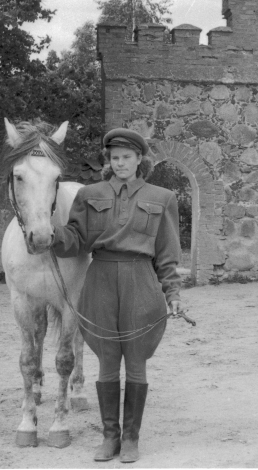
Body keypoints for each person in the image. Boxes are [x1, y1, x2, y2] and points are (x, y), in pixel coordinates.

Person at [52, 128, 182, 463]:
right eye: (114, 158)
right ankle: (109, 437)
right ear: (108, 161)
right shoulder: (89, 195)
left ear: (140, 159)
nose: (120, 163)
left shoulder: (163, 197)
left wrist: (173, 293)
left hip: (141, 282)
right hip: (101, 279)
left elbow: (167, 255)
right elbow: (75, 241)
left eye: (126, 157)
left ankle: (131, 440)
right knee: (107, 361)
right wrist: (47, 232)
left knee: (136, 362)